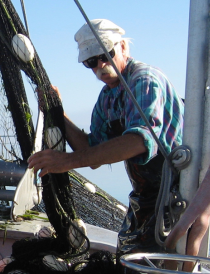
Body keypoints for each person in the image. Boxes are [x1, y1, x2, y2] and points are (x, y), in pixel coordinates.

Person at [28, 19, 184, 255]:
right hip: (146, 198)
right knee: (129, 256)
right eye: (91, 62)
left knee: (153, 262)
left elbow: (139, 140)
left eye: (106, 55)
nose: (101, 65)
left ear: (123, 47)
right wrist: (58, 112)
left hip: (176, 197)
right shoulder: (108, 97)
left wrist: (67, 162)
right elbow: (92, 153)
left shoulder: (144, 81)